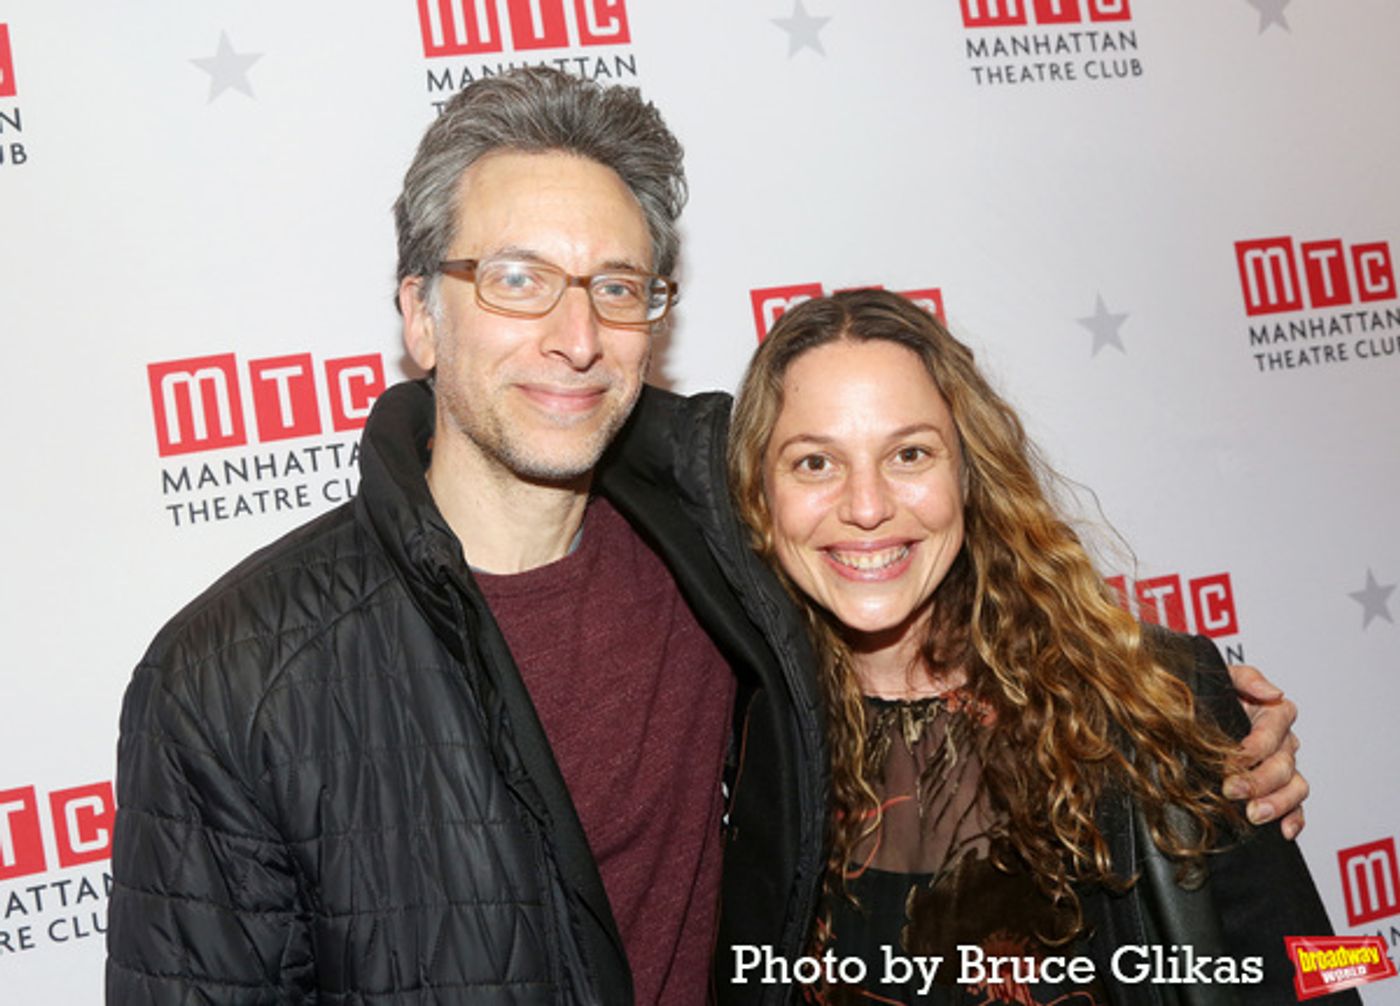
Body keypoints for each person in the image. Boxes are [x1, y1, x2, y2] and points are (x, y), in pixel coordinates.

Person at [106, 69, 1307, 1005]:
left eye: (617, 285)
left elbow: (1324, 963)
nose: (577, 334)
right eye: (517, 279)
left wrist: (1183, 724)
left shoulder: (720, 552)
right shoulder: (234, 677)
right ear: (421, 314)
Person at [725, 289, 1350, 1004]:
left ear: (969, 474)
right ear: (757, 493)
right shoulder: (725, 732)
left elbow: (1324, 973)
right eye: (814, 463)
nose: (866, 506)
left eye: (910, 453)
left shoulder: (1148, 701)